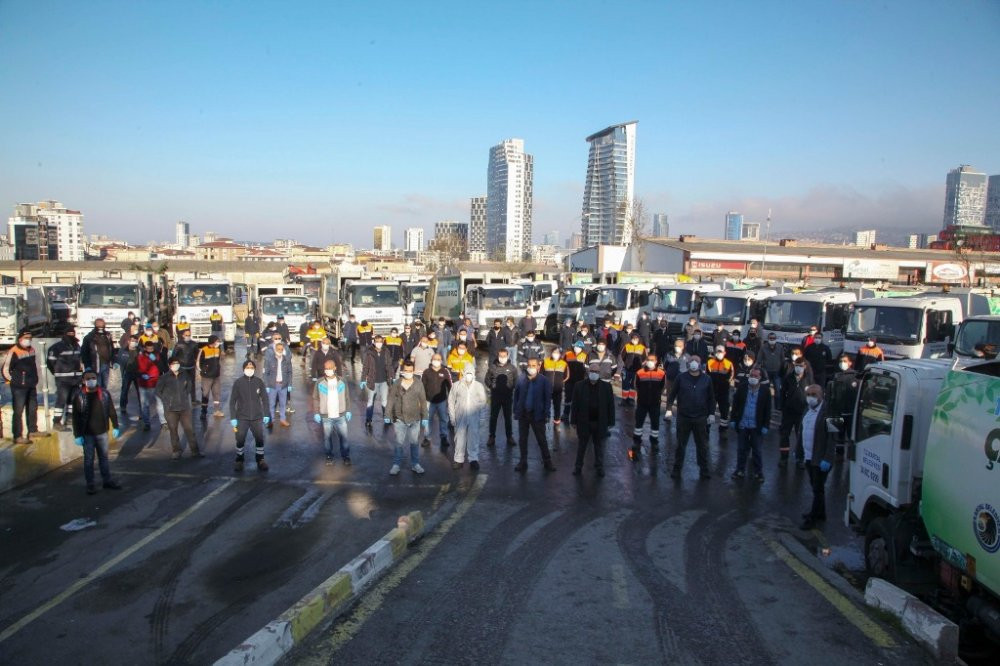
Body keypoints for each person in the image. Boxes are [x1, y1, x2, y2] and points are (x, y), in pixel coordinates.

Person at [71, 370, 122, 494]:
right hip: (87, 434)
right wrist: (77, 435)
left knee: (103, 458)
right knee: (89, 460)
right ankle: (90, 484)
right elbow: (75, 417)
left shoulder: (104, 394)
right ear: (83, 381)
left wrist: (115, 426)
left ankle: (107, 481)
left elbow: (111, 410)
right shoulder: (79, 396)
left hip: (102, 433)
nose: (91, 380)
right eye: (88, 379)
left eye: (93, 378)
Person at [666, 355, 716, 480]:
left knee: (702, 445)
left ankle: (704, 470)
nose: (694, 363)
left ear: (700, 364)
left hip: (700, 418)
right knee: (680, 445)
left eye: (696, 361)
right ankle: (677, 469)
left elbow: (711, 398)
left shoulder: (707, 379)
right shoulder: (681, 377)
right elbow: (672, 394)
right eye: (691, 361)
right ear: (688, 364)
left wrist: (711, 413)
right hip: (684, 417)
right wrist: (669, 409)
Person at [799, 384, 835, 530]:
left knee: (817, 488)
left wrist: (828, 458)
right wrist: (798, 451)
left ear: (821, 395)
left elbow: (834, 437)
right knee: (816, 486)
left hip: (820, 458)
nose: (811, 398)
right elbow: (801, 430)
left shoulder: (831, 411)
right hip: (809, 456)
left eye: (814, 395)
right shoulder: (807, 410)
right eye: (808, 394)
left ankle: (813, 518)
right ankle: (821, 513)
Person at [512, 358, 556, 473]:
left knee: (541, 439)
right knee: (522, 439)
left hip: (537, 415)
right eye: (529, 365)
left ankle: (547, 462)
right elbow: (516, 396)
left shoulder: (544, 381)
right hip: (523, 414)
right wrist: (516, 410)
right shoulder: (521, 379)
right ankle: (523, 462)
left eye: (533, 365)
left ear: (538, 366)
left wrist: (547, 414)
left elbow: (547, 399)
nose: (531, 367)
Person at [571, 367, 615, 477]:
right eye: (592, 371)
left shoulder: (606, 387)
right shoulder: (579, 386)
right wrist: (573, 421)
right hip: (584, 422)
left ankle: (599, 467)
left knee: (599, 446)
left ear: (599, 373)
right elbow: (575, 405)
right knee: (582, 446)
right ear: (588, 372)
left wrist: (611, 421)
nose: (594, 373)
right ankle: (578, 467)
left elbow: (610, 405)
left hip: (599, 422)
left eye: (596, 371)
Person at [386, 360, 428, 475]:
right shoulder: (397, 383)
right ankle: (396, 465)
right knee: (399, 443)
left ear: (413, 371)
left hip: (415, 418)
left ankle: (415, 464)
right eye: (406, 370)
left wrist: (425, 416)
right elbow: (390, 399)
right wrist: (387, 414)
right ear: (402, 371)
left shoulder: (418, 383)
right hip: (399, 419)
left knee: (414, 442)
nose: (408, 373)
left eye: (410, 371)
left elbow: (423, 401)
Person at [156, 357, 201, 459]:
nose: (176, 365)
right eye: (173, 363)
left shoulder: (185, 375)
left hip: (184, 408)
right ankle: (176, 451)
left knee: (189, 429)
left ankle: (195, 451)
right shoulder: (164, 378)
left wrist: (185, 395)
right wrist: (166, 400)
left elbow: (189, 386)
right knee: (173, 430)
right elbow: (158, 391)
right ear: (169, 365)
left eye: (177, 363)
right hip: (171, 409)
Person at [730, 367, 771, 483]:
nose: (753, 378)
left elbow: (767, 410)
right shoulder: (742, 388)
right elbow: (735, 404)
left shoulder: (765, 391)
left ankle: (758, 472)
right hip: (743, 424)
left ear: (760, 378)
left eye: (755, 376)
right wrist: (733, 419)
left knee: (757, 451)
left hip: (756, 425)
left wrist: (766, 425)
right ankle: (740, 470)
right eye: (751, 375)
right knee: (741, 449)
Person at [230, 359, 270, 472]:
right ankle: (239, 460)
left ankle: (260, 460)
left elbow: (265, 399)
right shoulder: (238, 383)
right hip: (242, 417)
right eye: (247, 368)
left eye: (252, 368)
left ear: (254, 369)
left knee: (259, 439)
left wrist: (266, 414)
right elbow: (232, 401)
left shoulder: (259, 382)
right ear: (243, 369)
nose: (250, 369)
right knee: (240, 439)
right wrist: (233, 417)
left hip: (257, 417)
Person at [2, 330, 40, 443]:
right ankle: (17, 436)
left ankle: (33, 430)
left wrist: (35, 379)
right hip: (19, 388)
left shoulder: (31, 350)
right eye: (26, 337)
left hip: (31, 385)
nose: (29, 340)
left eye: (30, 338)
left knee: (32, 409)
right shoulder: (14, 351)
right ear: (20, 339)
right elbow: (5, 370)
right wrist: (15, 381)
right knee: (18, 411)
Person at [312, 359, 352, 465]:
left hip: (341, 415)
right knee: (327, 438)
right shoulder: (319, 382)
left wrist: (348, 410)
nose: (328, 370)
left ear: (335, 368)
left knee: (344, 438)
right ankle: (329, 456)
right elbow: (315, 398)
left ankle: (346, 456)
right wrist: (316, 412)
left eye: (330, 368)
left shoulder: (342, 381)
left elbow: (347, 396)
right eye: (326, 368)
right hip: (326, 416)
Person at [448, 367, 487, 471]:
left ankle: (473, 459)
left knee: (473, 438)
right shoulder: (456, 385)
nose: (469, 375)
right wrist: (452, 416)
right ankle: (458, 460)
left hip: (474, 417)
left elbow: (483, 403)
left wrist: (482, 418)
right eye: (467, 373)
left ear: (473, 373)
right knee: (459, 438)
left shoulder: (478, 386)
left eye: (470, 373)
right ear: (463, 373)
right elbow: (451, 401)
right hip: (460, 416)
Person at [47, 326, 83, 430]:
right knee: (61, 400)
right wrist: (57, 372)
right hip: (63, 379)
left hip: (76, 378)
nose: (71, 336)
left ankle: (70, 418)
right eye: (69, 334)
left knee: (73, 400)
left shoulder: (76, 346)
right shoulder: (56, 347)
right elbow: (50, 362)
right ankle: (56, 422)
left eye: (73, 334)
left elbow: (80, 360)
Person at [780, 357, 812, 468]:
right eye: (797, 366)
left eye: (801, 366)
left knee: (801, 436)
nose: (798, 368)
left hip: (802, 413)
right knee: (785, 435)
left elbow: (813, 394)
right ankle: (784, 458)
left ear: (805, 366)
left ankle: (800, 459)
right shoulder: (788, 378)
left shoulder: (808, 379)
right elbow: (782, 393)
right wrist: (783, 407)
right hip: (788, 412)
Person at [632, 353, 665, 458]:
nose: (650, 362)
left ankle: (654, 442)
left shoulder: (661, 373)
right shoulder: (640, 372)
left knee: (655, 423)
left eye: (652, 360)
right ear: (646, 361)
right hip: (642, 402)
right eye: (648, 359)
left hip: (655, 403)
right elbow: (636, 386)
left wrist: (657, 395)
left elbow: (662, 387)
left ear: (656, 361)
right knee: (639, 423)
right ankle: (637, 441)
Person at [827, 354, 858, 458]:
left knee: (852, 436)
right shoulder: (836, 376)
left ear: (850, 363)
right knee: (835, 436)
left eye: (844, 361)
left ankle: (851, 457)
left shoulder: (856, 376)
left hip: (851, 413)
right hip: (836, 412)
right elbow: (830, 394)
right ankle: (838, 456)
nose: (842, 363)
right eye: (841, 361)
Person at [485, 348, 518, 447]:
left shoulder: (512, 368)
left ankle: (509, 437)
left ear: (507, 356)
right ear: (498, 356)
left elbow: (516, 381)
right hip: (495, 397)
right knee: (493, 417)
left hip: (507, 397)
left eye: (504, 356)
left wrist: (511, 388)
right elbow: (487, 379)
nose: (502, 358)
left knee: (508, 417)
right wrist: (492, 387)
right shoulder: (492, 367)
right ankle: (491, 437)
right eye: (500, 356)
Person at [361, 334, 393, 430]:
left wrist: (392, 376)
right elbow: (365, 367)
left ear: (382, 342)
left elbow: (389, 365)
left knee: (384, 401)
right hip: (373, 381)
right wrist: (363, 379)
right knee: (370, 401)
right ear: (374, 342)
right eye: (377, 341)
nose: (379, 343)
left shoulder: (386, 351)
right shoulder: (369, 352)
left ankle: (386, 418)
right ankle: (368, 419)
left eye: (380, 342)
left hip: (384, 381)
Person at [421, 352, 452, 450]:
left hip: (441, 400)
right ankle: (427, 438)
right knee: (427, 420)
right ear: (431, 361)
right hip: (429, 400)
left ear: (441, 361)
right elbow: (422, 386)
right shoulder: (426, 372)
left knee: (443, 419)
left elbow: (449, 385)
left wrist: (451, 398)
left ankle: (444, 437)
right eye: (434, 359)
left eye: (438, 359)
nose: (436, 361)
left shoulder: (445, 371)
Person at [137, 339, 167, 431]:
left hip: (155, 382)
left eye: (151, 348)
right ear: (145, 348)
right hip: (144, 384)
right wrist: (141, 375)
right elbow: (135, 369)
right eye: (148, 349)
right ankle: (146, 423)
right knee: (145, 405)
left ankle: (163, 422)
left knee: (160, 403)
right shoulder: (140, 357)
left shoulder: (157, 356)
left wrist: (156, 361)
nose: (150, 350)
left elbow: (163, 368)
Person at [264, 340, 293, 428]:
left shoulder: (286, 360)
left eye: (281, 349)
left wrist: (290, 384)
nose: (280, 351)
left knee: (283, 404)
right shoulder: (269, 360)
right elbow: (266, 373)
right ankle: (271, 420)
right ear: (275, 350)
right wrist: (266, 385)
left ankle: (283, 420)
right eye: (278, 349)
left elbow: (290, 372)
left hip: (283, 385)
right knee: (272, 404)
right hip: (273, 385)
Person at [707, 345, 735, 431]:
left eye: (721, 352)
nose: (719, 353)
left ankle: (723, 428)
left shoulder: (729, 363)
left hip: (723, 391)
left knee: (724, 410)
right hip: (712, 391)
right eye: (717, 351)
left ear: (724, 353)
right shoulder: (710, 362)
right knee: (709, 409)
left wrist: (725, 384)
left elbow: (731, 376)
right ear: (715, 352)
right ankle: (706, 427)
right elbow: (707, 376)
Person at [81, 319, 115, 389]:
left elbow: (111, 348)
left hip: (106, 364)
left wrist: (113, 360)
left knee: (105, 385)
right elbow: (84, 352)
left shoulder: (107, 335)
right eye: (99, 325)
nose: (101, 327)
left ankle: (104, 395)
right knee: (97, 385)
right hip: (95, 366)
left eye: (102, 325)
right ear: (95, 325)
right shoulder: (89, 337)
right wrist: (87, 366)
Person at [196, 335, 224, 418]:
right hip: (206, 377)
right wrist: (203, 372)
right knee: (205, 394)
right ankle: (203, 412)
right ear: (212, 342)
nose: (218, 343)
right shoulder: (204, 350)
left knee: (216, 394)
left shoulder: (218, 349)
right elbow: (198, 363)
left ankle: (217, 411)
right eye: (217, 341)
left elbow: (218, 361)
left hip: (216, 376)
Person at [116, 329, 142, 419]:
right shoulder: (123, 350)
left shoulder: (140, 351)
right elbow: (119, 361)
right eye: (132, 341)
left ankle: (141, 405)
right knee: (124, 390)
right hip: (127, 372)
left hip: (138, 373)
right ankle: (123, 406)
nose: (134, 342)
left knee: (140, 391)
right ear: (128, 341)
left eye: (135, 341)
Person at [663, 338, 689, 422]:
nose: (677, 347)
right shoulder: (669, 355)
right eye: (676, 346)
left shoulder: (687, 356)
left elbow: (689, 367)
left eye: (679, 346)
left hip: (682, 380)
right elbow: (665, 365)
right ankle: (668, 412)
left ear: (683, 347)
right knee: (670, 396)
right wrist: (669, 372)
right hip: (671, 379)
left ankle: (681, 414)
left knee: (681, 397)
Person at [171, 328, 200, 403]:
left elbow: (197, 355)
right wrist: (174, 366)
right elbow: (173, 355)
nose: (188, 336)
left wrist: (197, 365)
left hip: (191, 367)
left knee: (192, 383)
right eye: (186, 335)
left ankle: (193, 399)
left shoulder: (193, 344)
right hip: (182, 367)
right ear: (183, 335)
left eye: (189, 335)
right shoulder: (179, 344)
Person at [542, 347, 569, 424]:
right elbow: (541, 373)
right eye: (554, 352)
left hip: (558, 388)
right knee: (546, 403)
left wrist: (560, 382)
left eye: (557, 353)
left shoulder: (564, 363)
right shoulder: (546, 361)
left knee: (557, 405)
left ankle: (557, 419)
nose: (555, 354)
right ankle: (546, 417)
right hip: (546, 388)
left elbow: (566, 376)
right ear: (551, 353)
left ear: (560, 354)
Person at [561, 341, 587, 423]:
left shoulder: (585, 355)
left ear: (582, 348)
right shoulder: (568, 354)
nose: (577, 348)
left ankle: (577, 415)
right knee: (568, 398)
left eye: (579, 347)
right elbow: (563, 365)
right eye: (576, 346)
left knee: (579, 398)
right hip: (569, 380)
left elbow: (587, 369)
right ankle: (566, 414)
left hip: (580, 381)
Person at [758, 334, 785, 410]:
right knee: (765, 390)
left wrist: (783, 369)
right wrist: (759, 367)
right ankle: (764, 405)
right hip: (766, 372)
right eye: (770, 338)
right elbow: (759, 359)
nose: (772, 339)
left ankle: (777, 407)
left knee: (778, 390)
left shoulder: (780, 347)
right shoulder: (763, 347)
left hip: (777, 372)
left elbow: (783, 359)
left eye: (773, 338)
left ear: (776, 339)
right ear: (768, 338)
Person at [619, 332, 646, 405]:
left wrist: (641, 367)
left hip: (637, 370)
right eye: (633, 339)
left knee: (634, 385)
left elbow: (644, 358)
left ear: (638, 339)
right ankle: (624, 399)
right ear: (631, 339)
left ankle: (631, 399)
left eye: (636, 339)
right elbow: (622, 356)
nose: (634, 340)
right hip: (627, 369)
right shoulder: (627, 346)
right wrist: (626, 363)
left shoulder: (642, 347)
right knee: (625, 384)